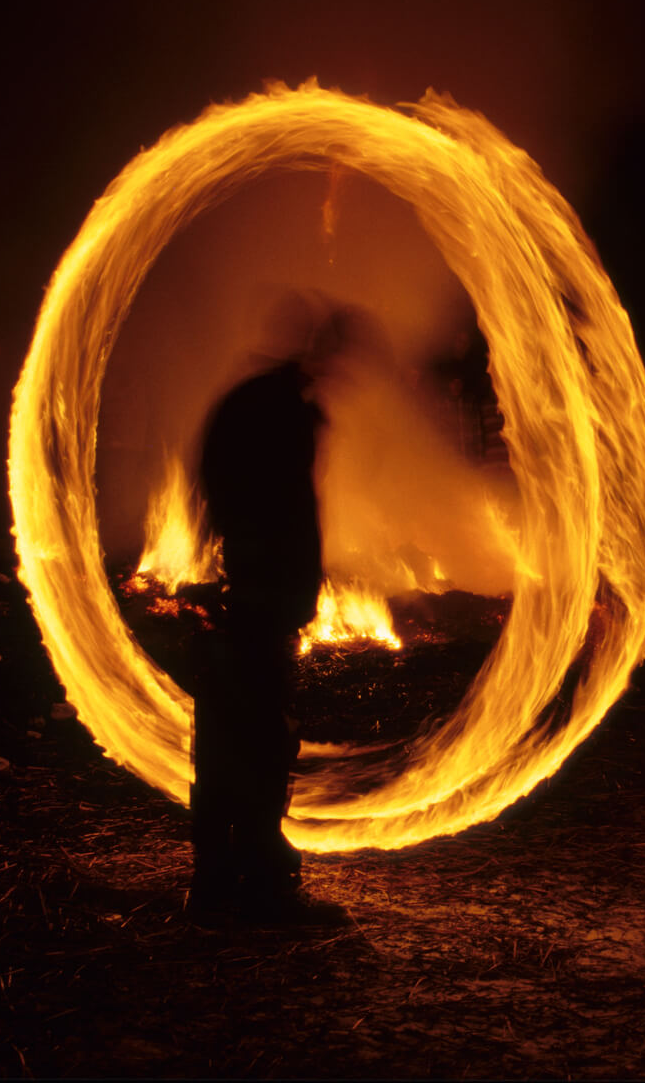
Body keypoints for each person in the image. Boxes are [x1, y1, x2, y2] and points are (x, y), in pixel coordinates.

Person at [187, 302, 357, 927]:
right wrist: (283, 584)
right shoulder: (279, 410)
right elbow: (284, 510)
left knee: (234, 734)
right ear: (319, 351)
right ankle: (258, 884)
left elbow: (210, 482)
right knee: (260, 737)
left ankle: (217, 879)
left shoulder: (253, 401)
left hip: (254, 593)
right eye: (339, 358)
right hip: (262, 596)